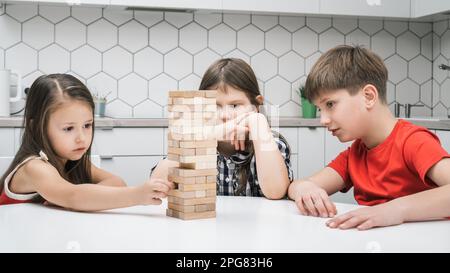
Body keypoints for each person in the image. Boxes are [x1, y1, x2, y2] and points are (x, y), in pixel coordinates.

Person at [288, 45, 450, 230]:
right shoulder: (354, 155)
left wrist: (394, 210)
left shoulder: (413, 141)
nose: (323, 120)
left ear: (369, 96)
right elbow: (299, 185)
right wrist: (304, 189)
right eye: (319, 109)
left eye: (330, 104)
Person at [0, 74, 174, 211]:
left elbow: (116, 182)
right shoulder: (34, 167)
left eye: (87, 125)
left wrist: (72, 199)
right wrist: (137, 195)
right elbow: (74, 196)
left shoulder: (73, 162)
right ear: (37, 126)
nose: (82, 138)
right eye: (68, 128)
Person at [151, 58, 294, 199]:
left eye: (235, 105)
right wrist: (206, 135)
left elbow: (276, 192)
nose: (225, 115)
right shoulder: (195, 144)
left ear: (256, 106)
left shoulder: (270, 141)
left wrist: (258, 121)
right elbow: (155, 187)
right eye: (214, 106)